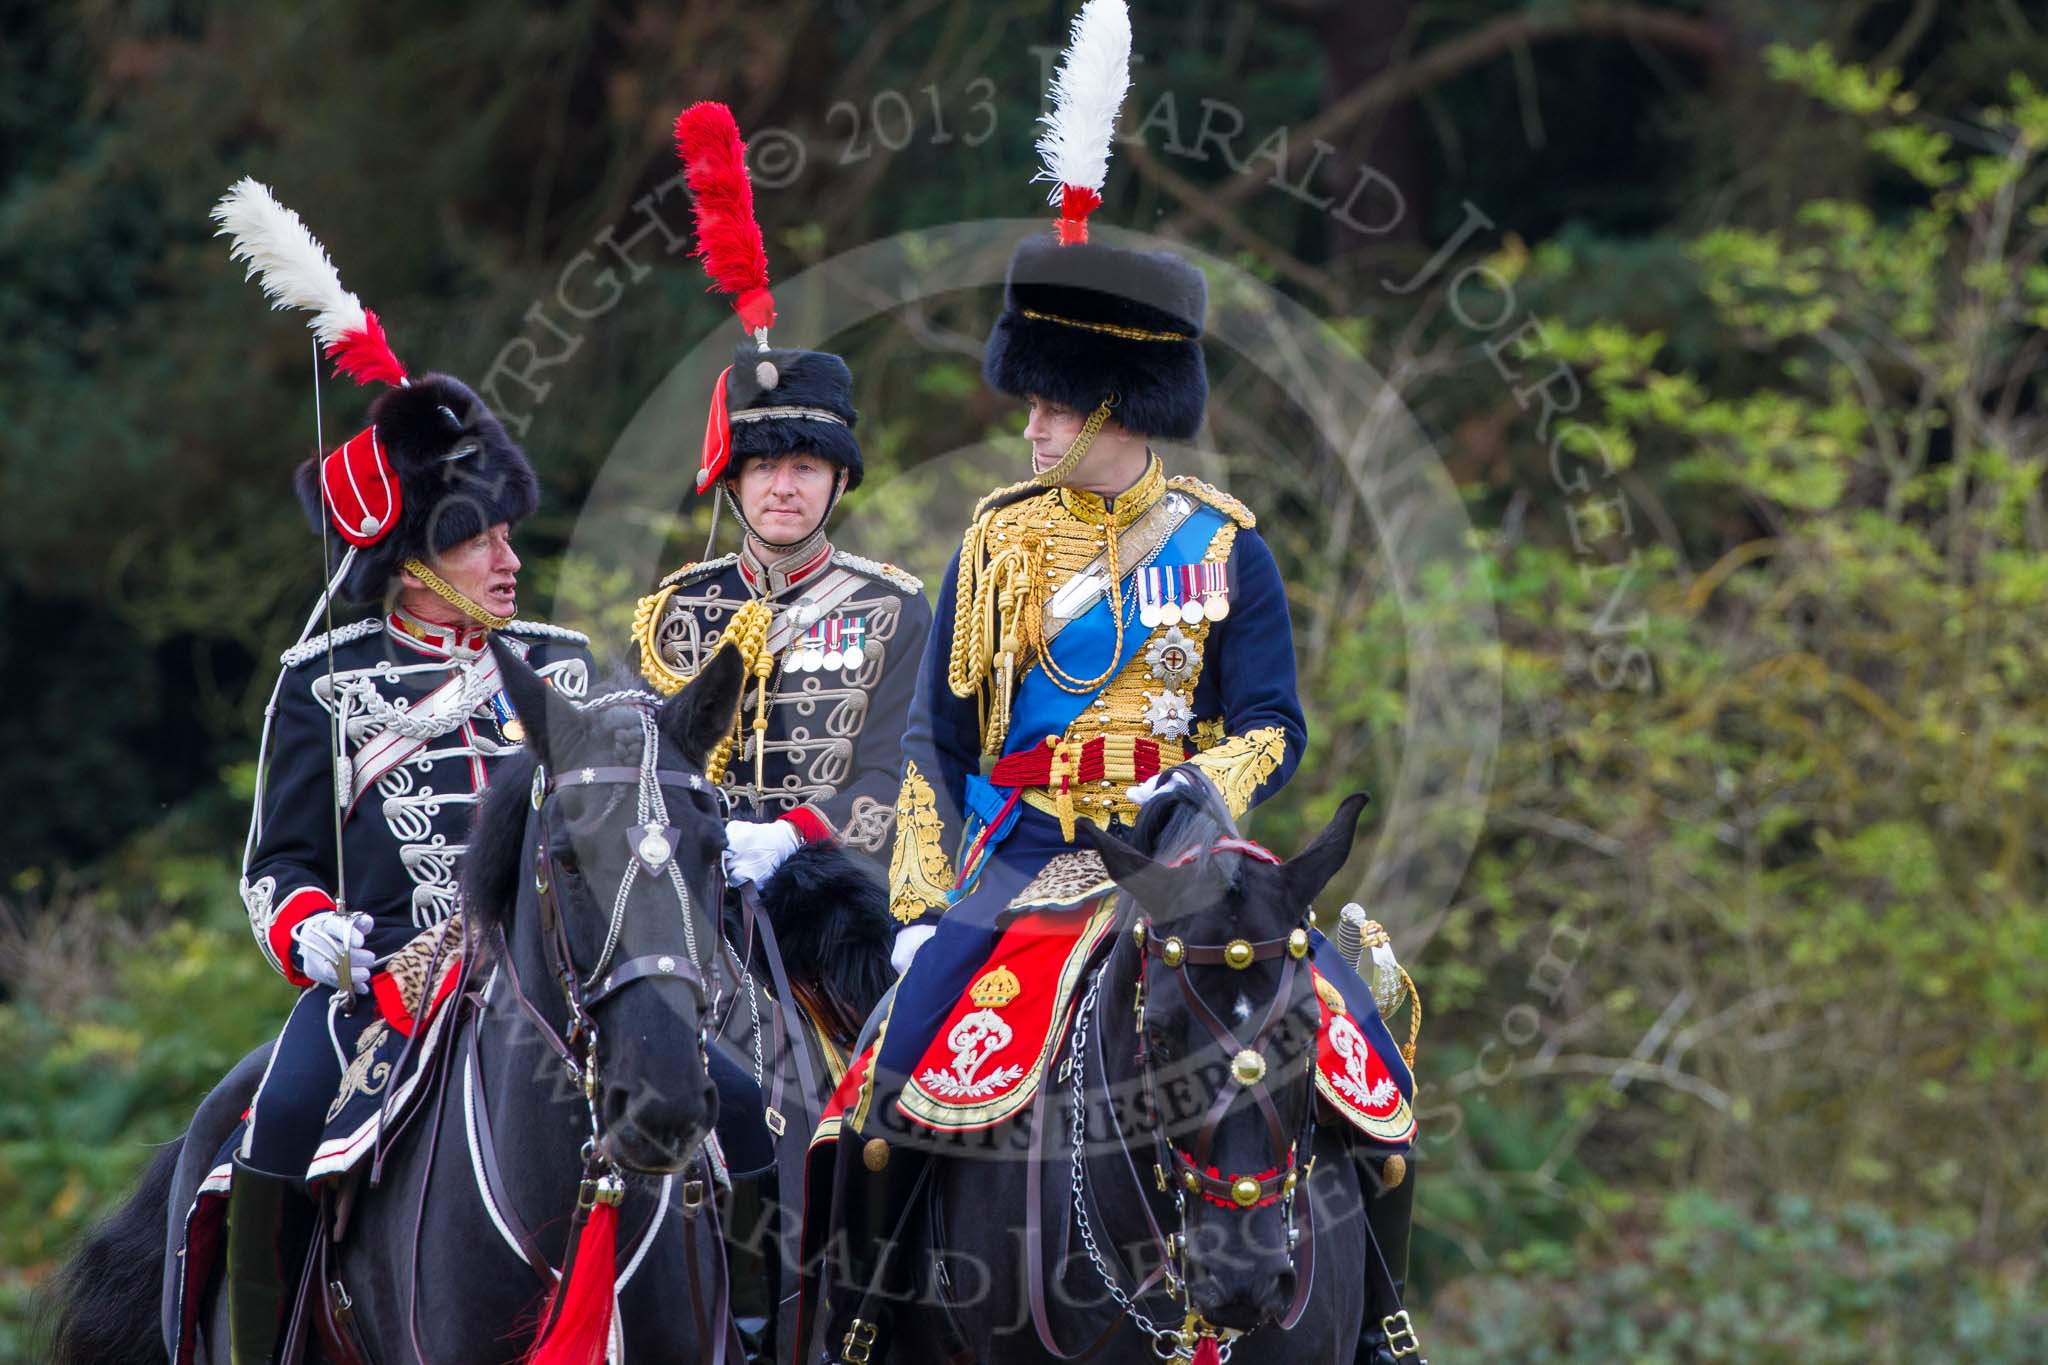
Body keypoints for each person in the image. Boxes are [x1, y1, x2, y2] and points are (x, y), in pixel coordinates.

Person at [629, 103, 931, 1365]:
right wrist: (711, 841)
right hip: (696, 896)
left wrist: (792, 838)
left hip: (830, 905)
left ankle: (895, 1313)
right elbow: (637, 764)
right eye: (761, 467)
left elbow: (892, 772)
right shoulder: (671, 617)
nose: (783, 485)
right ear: (732, 483)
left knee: (909, 1110)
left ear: (838, 480)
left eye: (805, 465)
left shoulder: (894, 608)